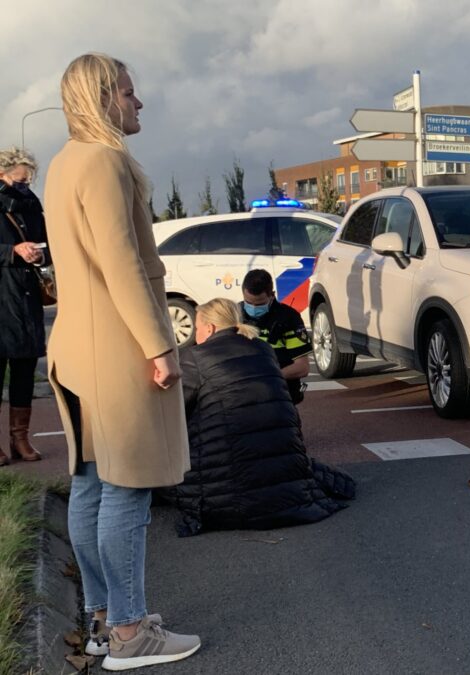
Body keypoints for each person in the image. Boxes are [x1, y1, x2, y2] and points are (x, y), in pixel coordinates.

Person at [44, 53, 200, 670]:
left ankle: (105, 619)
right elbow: (122, 261)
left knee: (89, 484)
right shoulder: (106, 162)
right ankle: (132, 635)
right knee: (128, 488)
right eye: (131, 93)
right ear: (106, 97)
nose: (140, 104)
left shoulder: (61, 164)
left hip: (74, 348)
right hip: (117, 348)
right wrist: (159, 346)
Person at [167, 298, 354, 536]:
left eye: (198, 326)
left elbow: (176, 413)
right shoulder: (264, 350)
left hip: (224, 481)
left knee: (162, 476)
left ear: (210, 328)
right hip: (283, 462)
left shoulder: (194, 358)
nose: (196, 332)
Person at [0, 147, 48, 465]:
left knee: (24, 371)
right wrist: (13, 251)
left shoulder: (32, 206)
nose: (25, 182)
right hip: (2, 298)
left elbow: (49, 244)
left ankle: (20, 438)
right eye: (20, 177)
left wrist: (41, 254)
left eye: (28, 177)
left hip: (28, 296)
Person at [239, 268, 311, 404]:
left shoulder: (288, 318)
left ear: (272, 295)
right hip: (244, 395)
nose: (253, 308)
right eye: (248, 303)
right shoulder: (236, 314)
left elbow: (302, 367)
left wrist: (269, 376)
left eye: (259, 304)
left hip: (279, 394)